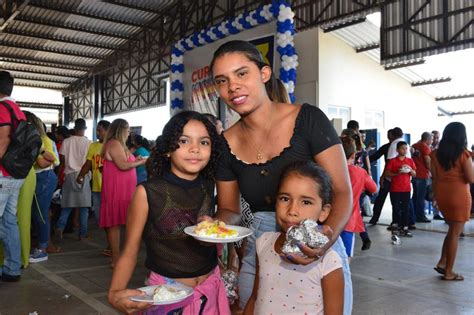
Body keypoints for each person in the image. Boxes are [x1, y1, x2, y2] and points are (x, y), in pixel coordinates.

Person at [209, 40, 353, 313]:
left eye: (242, 74)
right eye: (222, 80)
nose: (232, 87)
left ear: (264, 74)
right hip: (259, 250)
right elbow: (229, 209)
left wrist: (321, 243)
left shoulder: (308, 119)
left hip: (318, 241)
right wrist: (214, 225)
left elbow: (342, 192)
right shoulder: (224, 144)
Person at [107, 111, 230, 314]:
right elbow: (130, 249)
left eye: (204, 142)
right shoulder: (147, 192)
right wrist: (115, 292)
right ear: (167, 150)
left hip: (210, 290)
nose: (195, 149)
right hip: (168, 294)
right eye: (183, 140)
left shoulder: (209, 185)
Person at [244, 161, 343, 314]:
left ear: (324, 212)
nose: (292, 210)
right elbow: (255, 298)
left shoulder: (329, 261)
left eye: (306, 202)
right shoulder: (263, 243)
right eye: (284, 198)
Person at [100, 119, 145, 267]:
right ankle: (116, 258)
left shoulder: (118, 144)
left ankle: (119, 257)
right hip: (117, 190)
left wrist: (135, 159)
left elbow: (124, 163)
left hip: (123, 189)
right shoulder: (114, 143)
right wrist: (141, 162)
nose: (129, 132)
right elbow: (123, 165)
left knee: (120, 222)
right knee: (115, 223)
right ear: (122, 129)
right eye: (128, 129)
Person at [431, 122, 473, 281]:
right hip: (459, 195)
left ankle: (442, 263)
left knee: (451, 231)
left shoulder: (434, 154)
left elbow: (434, 177)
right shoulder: (463, 154)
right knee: (455, 233)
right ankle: (449, 272)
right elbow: (471, 178)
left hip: (442, 194)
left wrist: (435, 196)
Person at [0, 71, 27, 282]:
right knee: (9, 221)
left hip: (3, 174)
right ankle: (12, 268)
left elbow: (2, 142)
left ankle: (10, 267)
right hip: (16, 174)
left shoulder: (2, 108)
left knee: (7, 221)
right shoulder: (18, 110)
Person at [23, 112, 59, 263]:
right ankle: (43, 245)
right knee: (40, 213)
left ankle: (42, 249)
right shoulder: (45, 139)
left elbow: (48, 162)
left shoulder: (42, 140)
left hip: (43, 177)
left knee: (41, 214)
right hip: (43, 177)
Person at [340, 137, 377, 258]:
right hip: (347, 221)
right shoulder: (359, 172)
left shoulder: (325, 170)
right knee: (345, 258)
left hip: (325, 222)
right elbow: (374, 189)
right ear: (353, 155)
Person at [56, 118, 91, 240]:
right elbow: (89, 162)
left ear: (75, 128)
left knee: (67, 206)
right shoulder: (89, 143)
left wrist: (58, 176)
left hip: (69, 175)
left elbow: (62, 162)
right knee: (84, 207)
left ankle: (60, 229)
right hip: (83, 175)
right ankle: (83, 234)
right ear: (84, 129)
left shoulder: (66, 141)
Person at [77, 120, 110, 225]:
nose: (97, 133)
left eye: (100, 131)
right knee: (97, 212)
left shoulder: (113, 145)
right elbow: (88, 163)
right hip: (96, 185)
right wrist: (81, 175)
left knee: (109, 212)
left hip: (110, 186)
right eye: (96, 130)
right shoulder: (93, 146)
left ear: (108, 131)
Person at [384, 141, 416, 237]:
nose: (405, 150)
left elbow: (414, 174)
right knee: (396, 208)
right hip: (395, 188)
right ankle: (396, 225)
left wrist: (410, 170)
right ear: (397, 150)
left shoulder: (410, 161)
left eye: (406, 148)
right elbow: (387, 173)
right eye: (402, 148)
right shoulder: (393, 161)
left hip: (406, 188)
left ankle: (405, 227)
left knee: (406, 208)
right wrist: (397, 173)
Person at [368, 129, 395, 226]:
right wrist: (364, 160)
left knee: (393, 200)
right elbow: (375, 157)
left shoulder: (401, 147)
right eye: (388, 135)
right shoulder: (386, 147)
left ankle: (395, 221)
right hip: (387, 176)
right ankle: (375, 218)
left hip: (394, 177)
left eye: (390, 135)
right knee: (380, 198)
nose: (388, 137)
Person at [411, 132, 433, 223]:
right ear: (427, 139)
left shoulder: (414, 145)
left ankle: (413, 215)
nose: (431, 141)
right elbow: (427, 161)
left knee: (415, 196)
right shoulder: (425, 147)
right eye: (431, 139)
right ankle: (420, 216)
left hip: (415, 174)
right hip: (422, 175)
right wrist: (432, 171)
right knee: (421, 197)